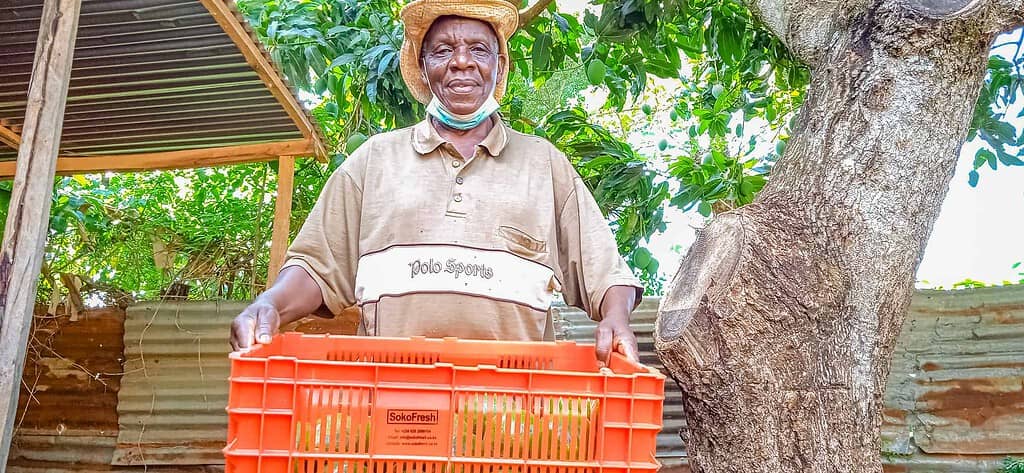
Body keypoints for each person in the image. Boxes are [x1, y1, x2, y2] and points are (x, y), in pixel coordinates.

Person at [229, 0, 643, 365]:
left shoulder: (544, 164)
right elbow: (317, 268)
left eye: (478, 50)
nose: (462, 61)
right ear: (424, 68)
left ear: (499, 65)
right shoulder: (373, 160)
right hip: (392, 404)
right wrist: (269, 305)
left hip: (511, 415)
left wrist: (616, 318)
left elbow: (605, 272)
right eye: (443, 51)